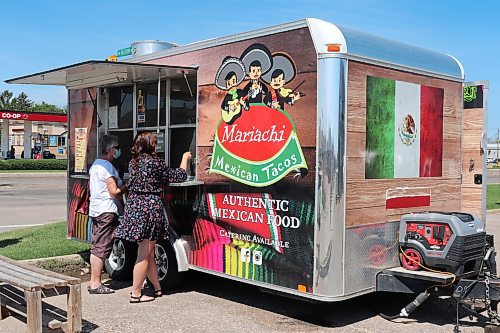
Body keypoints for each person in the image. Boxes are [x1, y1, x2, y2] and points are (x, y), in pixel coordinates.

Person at [115, 131, 191, 303]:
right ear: (150, 145)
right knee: (144, 253)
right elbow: (179, 175)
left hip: (135, 208)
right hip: (149, 209)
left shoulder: (134, 162)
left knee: (149, 253)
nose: (157, 145)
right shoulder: (155, 163)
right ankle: (136, 294)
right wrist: (185, 158)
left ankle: (157, 289)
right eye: (155, 143)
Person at [88, 135, 127, 294]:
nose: (119, 150)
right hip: (106, 210)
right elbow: (114, 192)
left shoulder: (96, 165)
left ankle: (93, 281)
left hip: (97, 209)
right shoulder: (107, 167)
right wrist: (127, 186)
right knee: (101, 247)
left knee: (97, 245)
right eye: (117, 148)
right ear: (111, 150)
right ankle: (95, 283)